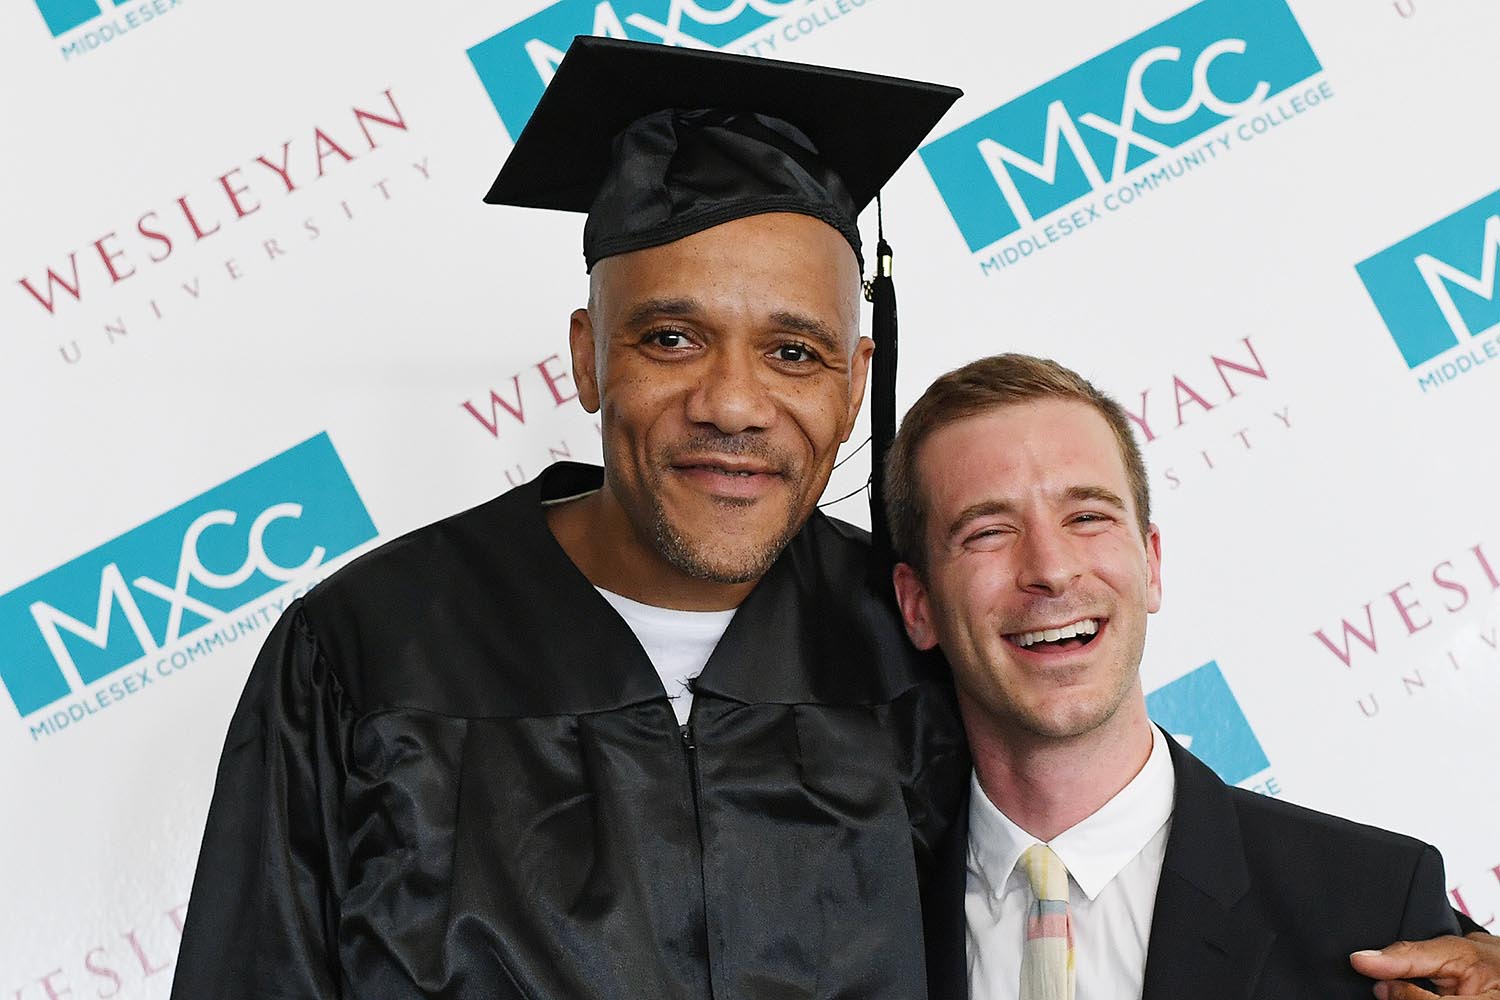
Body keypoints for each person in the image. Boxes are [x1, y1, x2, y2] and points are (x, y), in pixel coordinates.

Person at [168, 38, 972, 1000]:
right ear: (588, 359)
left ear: (856, 384)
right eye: (670, 338)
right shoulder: (366, 655)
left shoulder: (920, 642)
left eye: (795, 352)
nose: (733, 403)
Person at [882, 353, 1479, 999]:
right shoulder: (850, 918)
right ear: (918, 606)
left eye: (1087, 517)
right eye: (989, 532)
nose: (1051, 569)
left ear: (1152, 563)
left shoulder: (1372, 905)